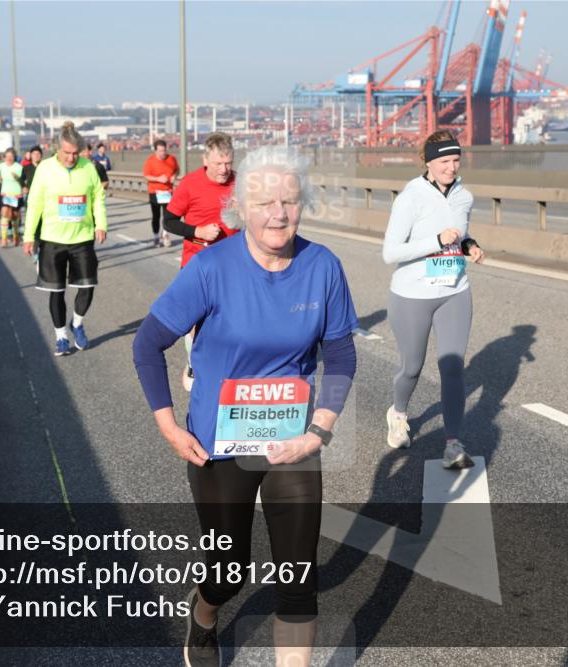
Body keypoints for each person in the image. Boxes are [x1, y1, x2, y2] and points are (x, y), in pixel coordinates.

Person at [132, 146, 358, 667]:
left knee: (299, 580)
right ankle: (205, 615)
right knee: (227, 570)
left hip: (292, 440)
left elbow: (341, 352)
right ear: (241, 208)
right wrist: (168, 427)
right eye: (265, 202)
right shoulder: (211, 268)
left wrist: (319, 430)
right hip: (218, 442)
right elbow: (147, 344)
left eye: (290, 201)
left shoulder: (323, 267)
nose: (278, 213)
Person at [381, 130, 485, 468]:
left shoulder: (464, 196)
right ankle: (398, 413)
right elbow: (390, 252)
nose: (451, 167)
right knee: (412, 367)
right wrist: (436, 240)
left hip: (454, 291)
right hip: (412, 294)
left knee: (452, 368)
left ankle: (453, 443)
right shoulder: (410, 198)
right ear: (428, 161)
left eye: (455, 160)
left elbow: (461, 233)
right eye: (444, 161)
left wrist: (469, 246)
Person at [22, 122, 107, 356]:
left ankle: (77, 323)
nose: (71, 158)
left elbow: (98, 197)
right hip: (52, 239)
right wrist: (29, 235)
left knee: (87, 286)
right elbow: (35, 203)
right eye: (67, 153)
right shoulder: (45, 169)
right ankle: (61, 337)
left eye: (75, 153)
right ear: (57, 149)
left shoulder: (88, 167)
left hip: (82, 238)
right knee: (56, 291)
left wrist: (101, 224)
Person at [162, 132, 237, 392]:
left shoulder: (241, 183)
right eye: (218, 164)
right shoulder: (190, 184)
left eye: (228, 163)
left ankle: (227, 365)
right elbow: (169, 221)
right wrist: (198, 231)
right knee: (196, 320)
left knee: (230, 319)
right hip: (197, 263)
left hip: (233, 265)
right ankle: (194, 361)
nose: (224, 169)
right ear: (206, 160)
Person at [142, 139, 179, 247]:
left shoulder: (172, 159)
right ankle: (155, 236)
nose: (163, 153)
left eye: (164, 151)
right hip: (155, 191)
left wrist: (174, 176)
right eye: (160, 151)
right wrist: (158, 179)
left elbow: (177, 169)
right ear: (155, 151)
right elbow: (146, 176)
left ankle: (165, 235)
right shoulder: (150, 161)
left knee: (167, 215)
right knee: (156, 216)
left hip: (167, 191)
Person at [0, 149, 23, 247]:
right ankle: (4, 239)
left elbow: (22, 180)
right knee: (4, 214)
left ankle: (16, 236)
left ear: (15, 157)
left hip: (16, 194)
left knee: (14, 216)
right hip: (5, 193)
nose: (9, 158)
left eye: (11, 156)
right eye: (7, 156)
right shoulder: (1, 166)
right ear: (4, 157)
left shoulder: (19, 167)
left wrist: (17, 177)